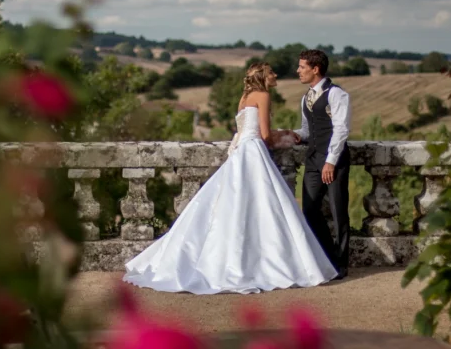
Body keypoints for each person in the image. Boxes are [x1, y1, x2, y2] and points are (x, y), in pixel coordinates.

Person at [122, 62, 338, 294]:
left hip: (241, 151)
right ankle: (265, 262)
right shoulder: (263, 95)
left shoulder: (244, 97)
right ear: (264, 77)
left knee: (234, 207)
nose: (276, 75)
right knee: (264, 207)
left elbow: (243, 129)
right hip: (254, 152)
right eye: (273, 72)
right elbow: (265, 135)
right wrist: (286, 135)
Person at [293, 49, 352, 279]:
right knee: (308, 210)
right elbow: (308, 131)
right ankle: (328, 256)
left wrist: (330, 162)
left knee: (339, 212)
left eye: (302, 67)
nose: (298, 71)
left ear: (315, 69)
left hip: (333, 162)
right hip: (312, 160)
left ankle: (342, 265)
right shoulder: (305, 98)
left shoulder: (337, 94)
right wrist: (294, 135)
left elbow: (341, 130)